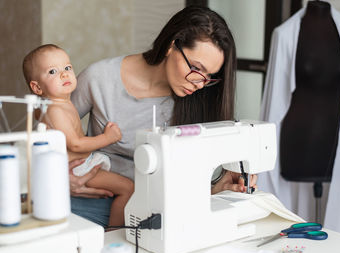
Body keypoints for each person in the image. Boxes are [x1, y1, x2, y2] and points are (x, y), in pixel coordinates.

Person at [70, 6, 257, 227]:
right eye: (197, 68)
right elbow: (47, 140)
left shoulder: (198, 99)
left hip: (160, 211)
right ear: (172, 46)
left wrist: (215, 189)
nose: (200, 83)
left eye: (210, 77)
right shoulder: (99, 79)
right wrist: (64, 179)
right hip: (94, 203)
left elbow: (180, 179)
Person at [22, 44, 134, 227]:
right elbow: (75, 144)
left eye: (67, 68)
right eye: (52, 71)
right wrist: (108, 137)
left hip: (81, 164)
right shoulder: (55, 109)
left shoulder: (60, 103)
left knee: (119, 187)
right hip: (77, 169)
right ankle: (113, 234)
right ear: (37, 87)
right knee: (128, 188)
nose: (64, 74)